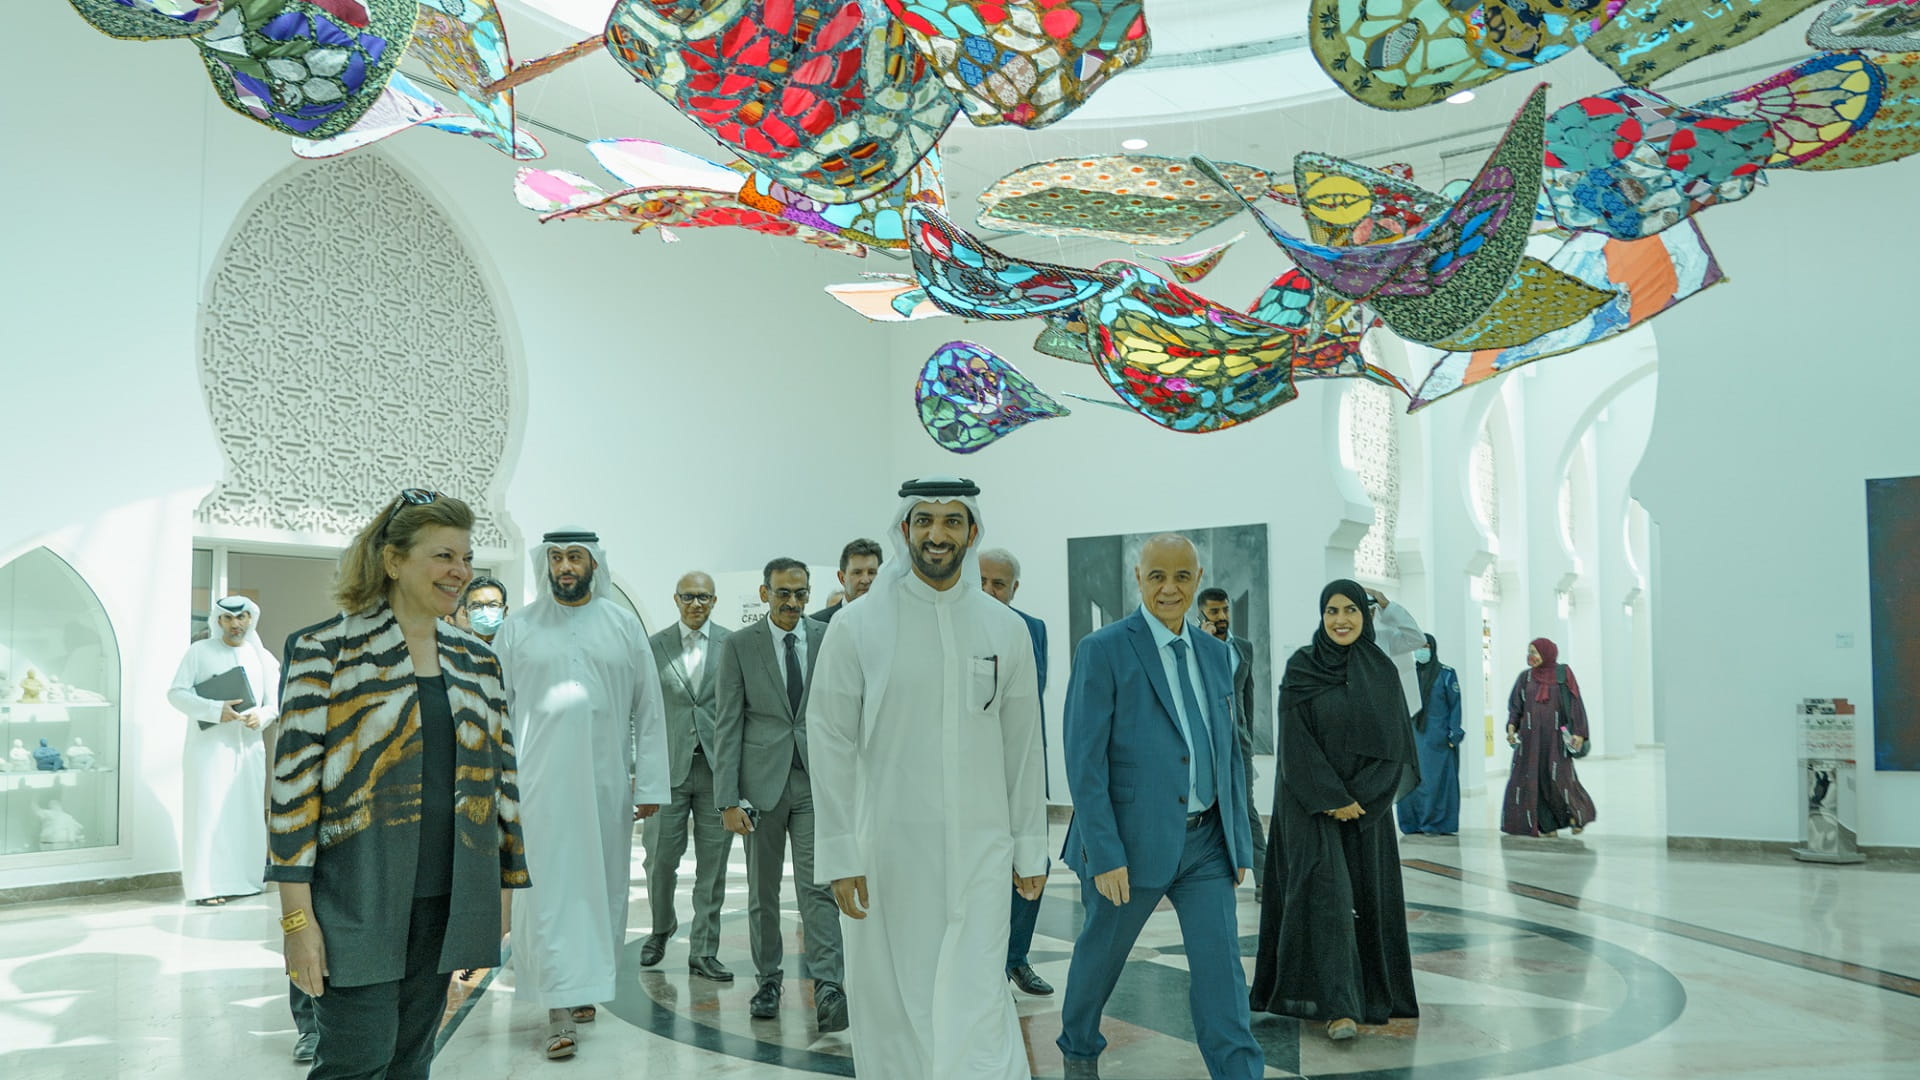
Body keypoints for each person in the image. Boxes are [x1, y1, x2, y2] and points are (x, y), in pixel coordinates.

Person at [269, 490, 528, 1080]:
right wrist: (296, 922)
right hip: (353, 898)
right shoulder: (324, 651)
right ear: (392, 560)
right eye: (443, 556)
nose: (460, 571)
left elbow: (503, 783)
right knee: (357, 1059)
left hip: (448, 897)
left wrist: (505, 888)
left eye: (465, 557)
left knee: (412, 1059)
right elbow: (291, 797)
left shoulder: (477, 661)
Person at [809, 477, 1047, 1080]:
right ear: (905, 530)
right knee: (893, 997)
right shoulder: (856, 626)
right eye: (924, 521)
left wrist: (1031, 848)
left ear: (971, 532)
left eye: (950, 521)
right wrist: (840, 852)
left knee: (979, 995)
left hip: (981, 850)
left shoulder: (1004, 628)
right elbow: (829, 740)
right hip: (888, 850)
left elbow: (1022, 748)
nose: (936, 535)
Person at [1057, 535, 1262, 1080]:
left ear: (1197, 579)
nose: (1169, 588)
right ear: (1138, 578)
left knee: (1223, 972)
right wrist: (1104, 851)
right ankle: (1078, 1049)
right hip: (1128, 839)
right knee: (1101, 958)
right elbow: (1084, 761)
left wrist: (1239, 841)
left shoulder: (1220, 654)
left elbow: (1230, 750)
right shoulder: (1103, 649)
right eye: (1156, 577)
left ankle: (1238, 1070)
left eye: (1181, 577)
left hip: (1206, 845)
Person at [492, 529, 668, 1060]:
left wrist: (651, 781)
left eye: (574, 557)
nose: (564, 567)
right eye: (556, 558)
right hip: (537, 789)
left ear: (593, 563)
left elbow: (650, 708)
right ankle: (557, 1010)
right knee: (547, 895)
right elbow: (494, 710)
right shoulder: (517, 628)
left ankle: (585, 985)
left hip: (605, 786)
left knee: (601, 890)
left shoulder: (622, 626)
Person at [1250, 581, 1425, 1041]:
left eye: (1350, 609)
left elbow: (1395, 747)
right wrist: (1332, 798)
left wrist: (1361, 800)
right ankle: (1337, 1006)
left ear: (1365, 616)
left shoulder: (1382, 671)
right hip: (1309, 807)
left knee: (1365, 899)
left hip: (1366, 810)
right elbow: (1294, 742)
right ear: (1321, 614)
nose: (1341, 619)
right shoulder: (1302, 667)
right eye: (1332, 610)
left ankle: (1366, 994)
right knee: (1324, 899)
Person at [712, 558, 847, 1030]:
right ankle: (769, 979)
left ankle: (829, 985)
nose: (792, 602)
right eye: (783, 593)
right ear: (764, 592)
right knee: (762, 891)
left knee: (818, 886)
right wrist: (727, 797)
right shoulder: (739, 645)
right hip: (759, 787)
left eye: (801, 593)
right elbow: (727, 722)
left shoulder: (829, 638)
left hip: (814, 781)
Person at [639, 572, 737, 980]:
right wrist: (639, 768)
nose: (696, 604)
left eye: (704, 597)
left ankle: (704, 950)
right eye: (688, 597)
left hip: (718, 773)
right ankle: (661, 928)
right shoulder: (653, 645)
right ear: (675, 599)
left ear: (715, 601)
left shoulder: (732, 644)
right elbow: (640, 710)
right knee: (660, 859)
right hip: (668, 771)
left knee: (712, 868)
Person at [167, 594, 280, 907]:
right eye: (228, 618)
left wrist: (264, 715)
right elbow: (176, 694)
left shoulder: (262, 657)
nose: (235, 624)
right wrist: (216, 709)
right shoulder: (199, 652)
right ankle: (205, 886)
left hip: (249, 751)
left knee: (246, 815)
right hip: (209, 751)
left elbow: (276, 702)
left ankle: (248, 881)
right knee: (208, 813)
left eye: (241, 617)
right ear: (218, 621)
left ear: (250, 619)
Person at [978, 546, 1053, 997]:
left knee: (1032, 861)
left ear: (1014, 589)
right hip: (971, 771)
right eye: (981, 581)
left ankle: (1016, 958)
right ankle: (983, 965)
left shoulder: (1032, 629)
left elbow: (1030, 695)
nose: (989, 591)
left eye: (998, 584)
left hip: (1019, 763)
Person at [1196, 586, 1267, 897]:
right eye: (1214, 611)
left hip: (1239, 743)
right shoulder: (1192, 647)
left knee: (1246, 807)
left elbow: (1246, 697)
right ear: (1201, 614)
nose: (1222, 616)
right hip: (1207, 743)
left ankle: (1265, 878)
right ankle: (1205, 876)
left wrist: (1247, 734)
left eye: (1225, 610)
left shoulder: (1244, 648)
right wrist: (1204, 643)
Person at [1500, 638, 1597, 838]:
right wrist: (1511, 729)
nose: (1531, 656)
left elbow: (1575, 703)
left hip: (1556, 739)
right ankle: (1546, 825)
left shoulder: (1563, 674)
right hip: (1529, 741)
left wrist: (1579, 732)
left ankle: (1577, 816)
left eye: (1535, 652)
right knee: (1532, 781)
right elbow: (1515, 707)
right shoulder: (1525, 678)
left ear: (1547, 653)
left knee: (1561, 779)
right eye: (1529, 652)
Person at [1398, 634, 1465, 836]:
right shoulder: (1406, 675)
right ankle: (1412, 824)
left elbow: (1455, 706)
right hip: (1411, 737)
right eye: (1418, 646)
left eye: (1425, 646)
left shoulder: (1446, 674)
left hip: (1438, 739)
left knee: (1436, 783)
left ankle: (1436, 824)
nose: (1422, 650)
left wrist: (1454, 733)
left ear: (1433, 648)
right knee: (1411, 783)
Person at [811, 538, 881, 623]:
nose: (865, 580)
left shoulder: (891, 619)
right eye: (857, 572)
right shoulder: (816, 623)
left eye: (871, 572)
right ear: (842, 578)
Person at [455, 576, 509, 643]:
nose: (485, 612)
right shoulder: (454, 648)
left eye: (493, 605)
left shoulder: (516, 647)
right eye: (476, 606)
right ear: (465, 613)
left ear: (504, 611)